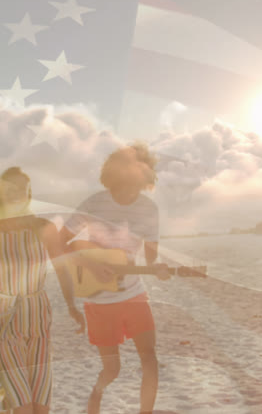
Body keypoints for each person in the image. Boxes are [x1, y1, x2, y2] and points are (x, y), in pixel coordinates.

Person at [61, 143, 171, 414]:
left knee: (150, 360)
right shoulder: (94, 203)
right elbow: (61, 242)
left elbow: (151, 257)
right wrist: (90, 264)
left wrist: (159, 268)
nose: (133, 188)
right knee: (112, 370)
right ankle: (96, 396)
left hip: (134, 294)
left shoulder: (149, 209)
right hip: (99, 300)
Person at [0, 167, 87, 414]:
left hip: (38, 318)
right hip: (4, 322)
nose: (16, 193)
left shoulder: (44, 227)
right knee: (23, 406)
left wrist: (72, 306)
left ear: (29, 193)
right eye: (9, 188)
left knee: (41, 406)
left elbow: (62, 270)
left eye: (21, 188)